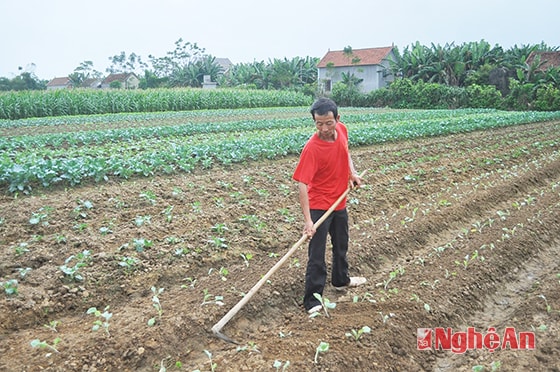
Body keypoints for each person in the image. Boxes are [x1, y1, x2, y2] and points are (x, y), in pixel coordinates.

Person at [293, 97, 366, 314]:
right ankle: (313, 301)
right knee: (317, 255)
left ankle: (340, 280)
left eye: (328, 123)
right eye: (318, 124)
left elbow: (346, 152)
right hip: (319, 206)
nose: (324, 128)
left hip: (339, 201)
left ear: (337, 119)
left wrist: (352, 173)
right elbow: (302, 185)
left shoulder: (342, 130)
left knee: (341, 244)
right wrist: (308, 222)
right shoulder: (312, 149)